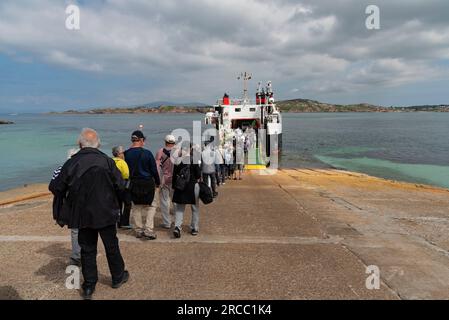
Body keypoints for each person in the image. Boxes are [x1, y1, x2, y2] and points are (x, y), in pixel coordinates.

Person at [49, 128, 128, 300]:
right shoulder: (107, 161)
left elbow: (56, 187)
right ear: (98, 143)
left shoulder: (71, 163)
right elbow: (121, 186)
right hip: (106, 211)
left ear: (80, 144)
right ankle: (118, 276)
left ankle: (89, 285)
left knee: (87, 249)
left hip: (82, 214)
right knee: (111, 246)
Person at [124, 130, 161, 240]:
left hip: (134, 182)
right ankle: (148, 229)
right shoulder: (147, 153)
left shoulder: (126, 154)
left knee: (136, 206)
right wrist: (158, 182)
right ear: (141, 140)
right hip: (147, 182)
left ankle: (138, 229)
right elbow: (154, 170)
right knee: (152, 206)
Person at [50, 148, 81, 267]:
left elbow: (53, 187)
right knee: (81, 229)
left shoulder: (59, 169)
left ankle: (76, 255)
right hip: (79, 202)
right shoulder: (81, 168)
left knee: (75, 230)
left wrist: (63, 194)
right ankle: (80, 254)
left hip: (67, 203)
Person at [172, 144, 202, 238]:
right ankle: (194, 228)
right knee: (195, 208)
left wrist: (174, 186)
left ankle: (177, 227)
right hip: (193, 186)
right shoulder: (195, 159)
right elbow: (198, 175)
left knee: (180, 209)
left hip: (181, 187)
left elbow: (174, 175)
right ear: (190, 149)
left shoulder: (178, 160)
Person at [155, 135, 176, 229]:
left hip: (164, 179)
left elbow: (157, 167)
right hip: (176, 179)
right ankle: (177, 222)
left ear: (165, 142)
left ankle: (167, 222)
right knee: (175, 201)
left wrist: (157, 180)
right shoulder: (179, 152)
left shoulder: (161, 151)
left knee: (164, 201)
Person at [112, 146, 131, 228]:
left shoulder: (111, 161)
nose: (124, 154)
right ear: (119, 154)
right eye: (122, 153)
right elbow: (126, 174)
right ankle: (125, 222)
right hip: (122, 186)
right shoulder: (122, 162)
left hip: (113, 186)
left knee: (118, 204)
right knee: (127, 203)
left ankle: (118, 221)